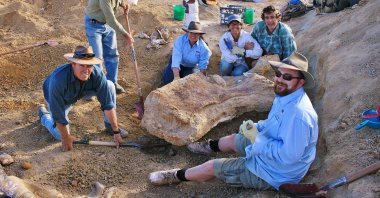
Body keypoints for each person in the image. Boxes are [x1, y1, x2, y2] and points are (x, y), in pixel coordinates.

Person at [149, 52, 318, 191]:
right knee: (233, 139)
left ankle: (176, 176)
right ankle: (206, 147)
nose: (280, 79)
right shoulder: (285, 96)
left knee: (213, 166)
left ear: (301, 82)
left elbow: (288, 156)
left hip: (275, 173)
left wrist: (256, 139)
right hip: (271, 156)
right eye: (279, 74)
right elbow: (273, 125)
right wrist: (256, 127)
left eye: (287, 77)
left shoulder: (299, 115)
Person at [37, 46, 128, 152]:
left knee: (109, 85)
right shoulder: (58, 81)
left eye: (89, 65)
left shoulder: (97, 74)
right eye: (82, 65)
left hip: (83, 91)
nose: (86, 70)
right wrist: (65, 137)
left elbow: (107, 104)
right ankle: (44, 115)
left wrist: (116, 131)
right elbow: (59, 116)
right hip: (62, 99)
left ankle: (109, 127)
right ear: (72, 64)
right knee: (59, 134)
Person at [84, 0, 134, 94]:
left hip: (107, 24)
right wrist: (126, 35)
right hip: (93, 24)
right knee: (97, 59)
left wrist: (122, 3)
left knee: (113, 55)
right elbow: (111, 19)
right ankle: (97, 87)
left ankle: (112, 83)